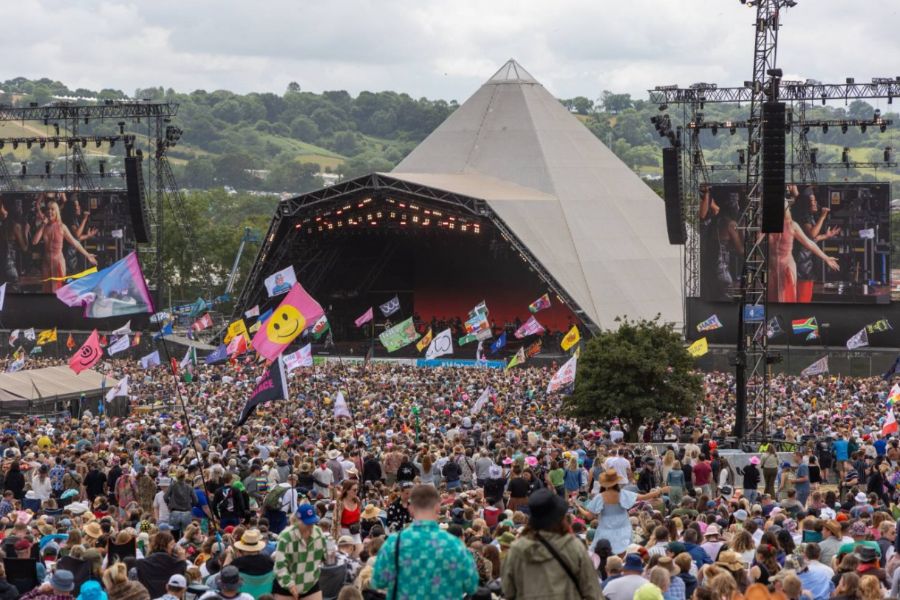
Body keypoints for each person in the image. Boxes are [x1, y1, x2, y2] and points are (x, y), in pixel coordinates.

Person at [372, 485, 478, 599]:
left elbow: (378, 581)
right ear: (438, 507)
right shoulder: (455, 545)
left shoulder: (394, 543)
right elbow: (471, 585)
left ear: (411, 509)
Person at [501, 487, 602, 600]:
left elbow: (508, 591)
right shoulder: (574, 547)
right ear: (560, 519)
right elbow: (593, 593)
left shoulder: (517, 550)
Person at [574, 468, 664, 555]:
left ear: (605, 484)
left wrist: (579, 507)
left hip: (605, 530)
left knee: (604, 556)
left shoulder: (600, 497)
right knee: (624, 556)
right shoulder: (623, 494)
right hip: (623, 530)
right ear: (616, 482)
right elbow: (644, 497)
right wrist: (659, 491)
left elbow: (589, 516)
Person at [767, 201, 840, 303]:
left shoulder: (792, 225)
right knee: (773, 299)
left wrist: (826, 258)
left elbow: (809, 242)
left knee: (786, 298)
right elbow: (755, 242)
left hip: (787, 267)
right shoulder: (769, 224)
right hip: (772, 268)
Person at [31, 200, 97, 293]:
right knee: (46, 290)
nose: (50, 211)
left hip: (58, 262)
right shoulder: (44, 226)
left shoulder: (62, 226)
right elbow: (34, 241)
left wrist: (87, 255)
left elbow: (75, 242)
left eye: (52, 209)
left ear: (57, 211)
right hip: (46, 262)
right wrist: (43, 224)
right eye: (48, 209)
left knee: (57, 290)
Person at [791, 187, 841, 302]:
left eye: (815, 200)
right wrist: (823, 217)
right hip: (802, 264)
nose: (815, 203)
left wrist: (826, 236)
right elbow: (812, 234)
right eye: (812, 201)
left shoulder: (807, 215)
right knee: (802, 298)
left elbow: (810, 239)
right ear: (805, 203)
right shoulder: (803, 216)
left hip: (805, 262)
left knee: (802, 296)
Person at [272, 504, 327, 600]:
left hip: (310, 584)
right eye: (307, 523)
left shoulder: (319, 534)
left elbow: (325, 557)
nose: (310, 526)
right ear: (298, 521)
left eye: (312, 522)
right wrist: (290, 585)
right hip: (286, 587)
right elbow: (280, 566)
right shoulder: (286, 537)